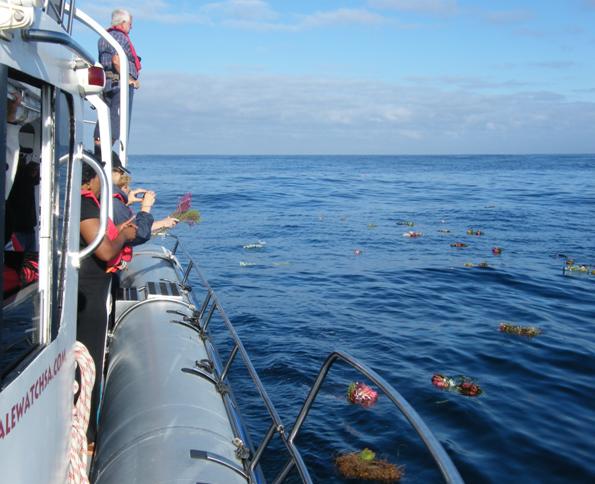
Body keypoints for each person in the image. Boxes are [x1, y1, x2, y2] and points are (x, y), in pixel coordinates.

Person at [78, 161, 136, 443]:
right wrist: (124, 235)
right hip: (88, 293)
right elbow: (103, 251)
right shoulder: (84, 205)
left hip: (86, 290)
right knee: (88, 359)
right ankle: (87, 434)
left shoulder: (75, 203)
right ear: (89, 180)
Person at [94, 8, 141, 151]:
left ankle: (98, 153)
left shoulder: (103, 38)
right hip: (119, 85)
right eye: (130, 24)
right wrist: (129, 79)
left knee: (104, 119)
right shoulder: (119, 37)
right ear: (123, 22)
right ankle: (105, 155)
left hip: (107, 84)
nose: (131, 27)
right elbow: (116, 60)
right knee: (118, 122)